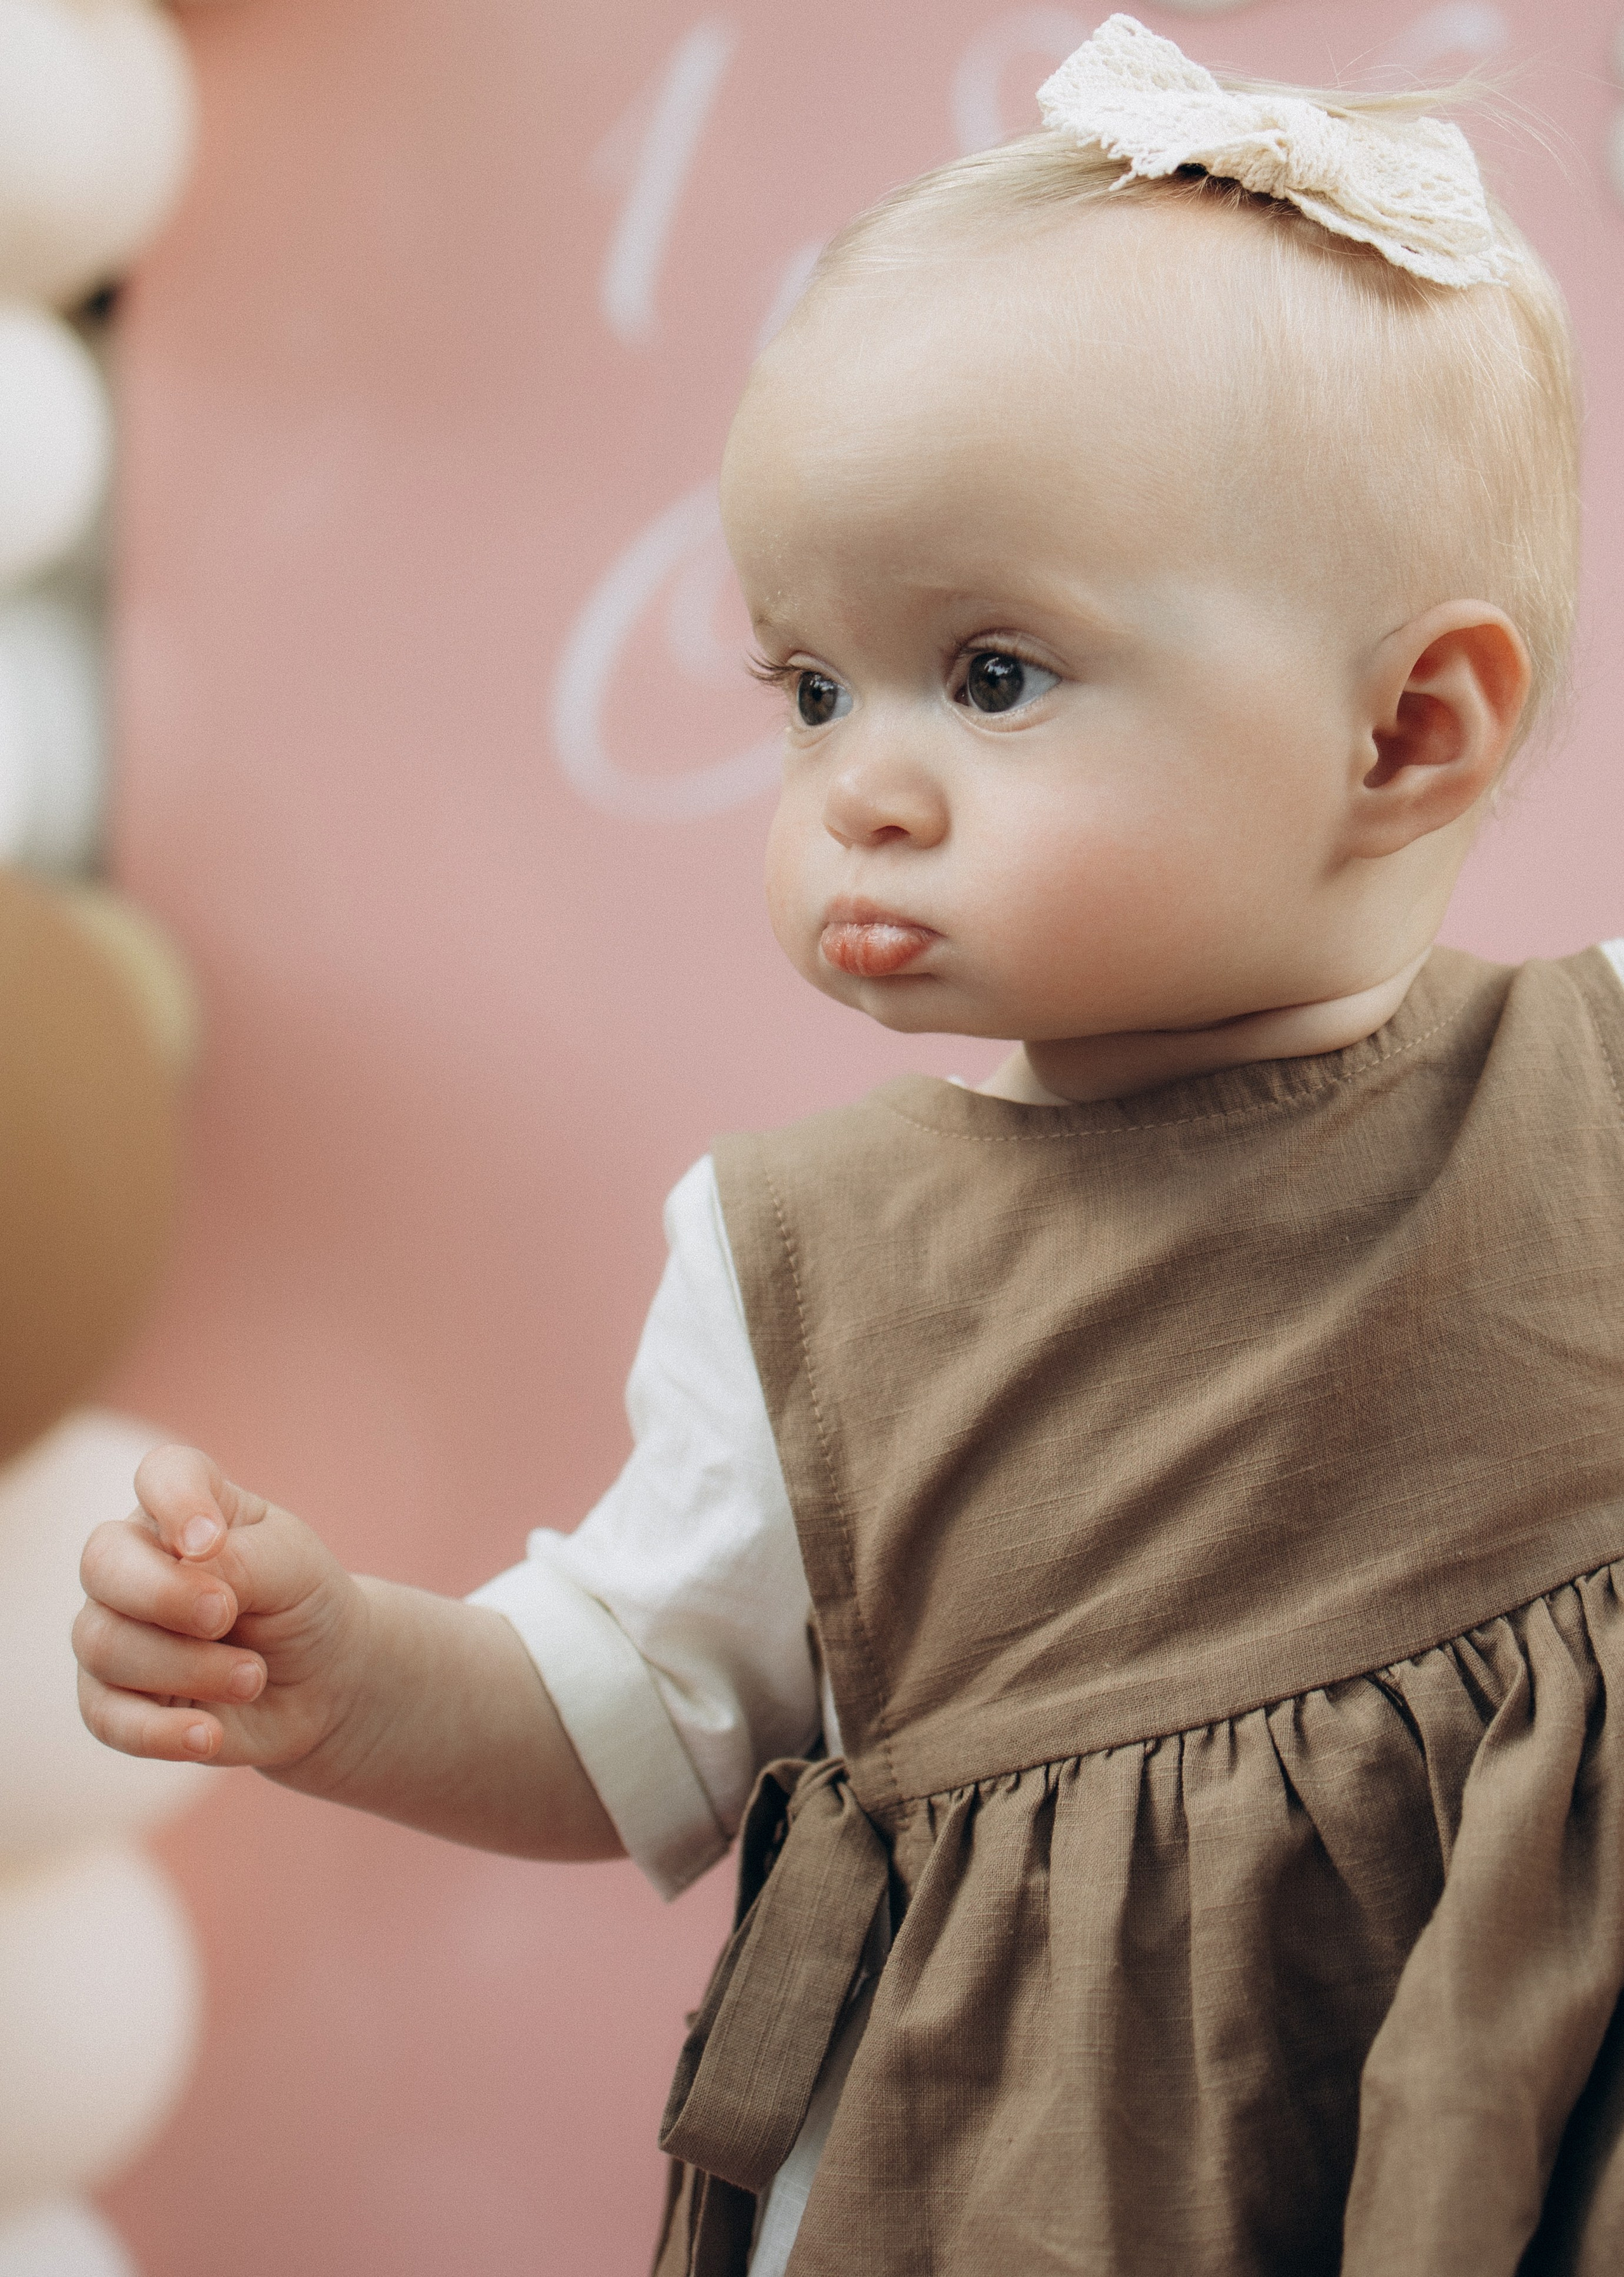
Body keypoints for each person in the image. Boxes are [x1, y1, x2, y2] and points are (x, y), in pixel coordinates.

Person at [72, 16, 1624, 2273]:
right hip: (1039, 2174)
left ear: (1407, 726)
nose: (855, 786)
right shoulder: (803, 1267)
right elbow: (630, 1710)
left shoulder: (1590, 1095)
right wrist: (350, 1680)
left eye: (990, 675)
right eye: (808, 686)